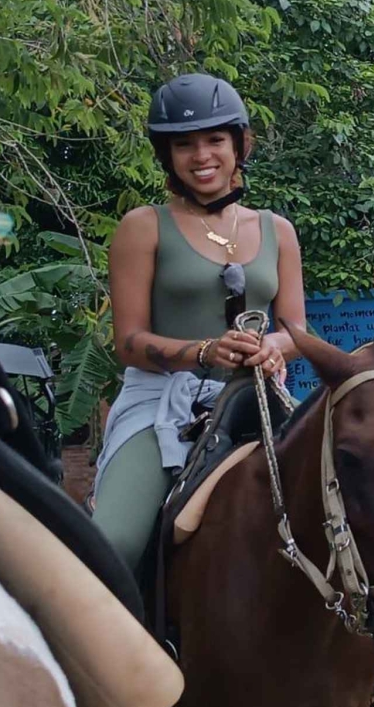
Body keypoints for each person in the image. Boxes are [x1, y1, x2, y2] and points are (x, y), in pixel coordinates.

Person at [94, 74, 307, 569]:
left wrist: (274, 346)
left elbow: (297, 329)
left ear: (239, 144)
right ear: (166, 154)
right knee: (114, 544)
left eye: (215, 139)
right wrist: (203, 352)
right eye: (184, 144)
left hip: (258, 395)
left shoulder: (278, 230)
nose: (202, 155)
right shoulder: (142, 226)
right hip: (162, 404)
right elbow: (127, 341)